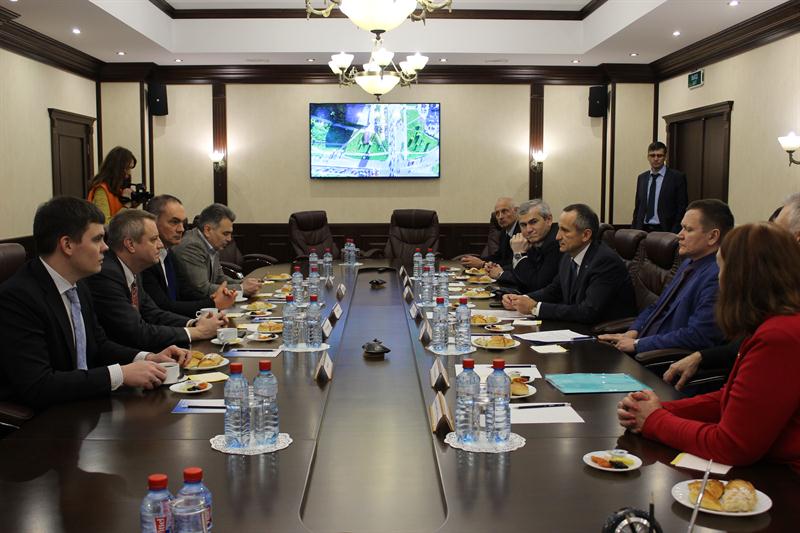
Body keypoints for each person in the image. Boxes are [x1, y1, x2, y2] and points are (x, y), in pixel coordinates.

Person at [618, 223, 800, 469]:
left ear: (740, 278)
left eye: (721, 269)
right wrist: (661, 408)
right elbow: (731, 399)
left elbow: (731, 446)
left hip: (783, 479)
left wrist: (654, 420)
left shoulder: (779, 338)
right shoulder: (774, 324)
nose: (718, 279)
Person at [0, 197, 188, 409]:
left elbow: (99, 345)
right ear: (67, 245)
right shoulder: (18, 298)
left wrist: (147, 358)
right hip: (43, 418)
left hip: (82, 402)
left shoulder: (78, 284)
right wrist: (119, 374)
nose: (106, 247)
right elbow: (38, 385)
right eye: (97, 239)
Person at [663, 192, 800, 389]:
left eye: (777, 232)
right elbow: (746, 342)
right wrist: (702, 356)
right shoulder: (783, 284)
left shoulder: (781, 326)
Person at [599, 199, 732, 354]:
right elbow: (657, 306)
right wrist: (633, 332)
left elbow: (697, 336)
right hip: (642, 344)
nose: (679, 235)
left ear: (713, 236)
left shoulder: (716, 276)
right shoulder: (688, 263)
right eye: (681, 228)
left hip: (661, 358)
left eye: (688, 229)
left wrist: (638, 344)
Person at [86, 210, 224, 353]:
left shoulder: (133, 268)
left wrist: (194, 323)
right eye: (153, 239)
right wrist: (198, 332)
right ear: (130, 244)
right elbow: (136, 332)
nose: (160, 245)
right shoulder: (106, 275)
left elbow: (153, 313)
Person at [503, 203, 636, 324]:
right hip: (575, 325)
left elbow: (588, 311)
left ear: (585, 235)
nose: (557, 237)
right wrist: (520, 299)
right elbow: (554, 290)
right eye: (559, 229)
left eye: (565, 231)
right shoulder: (568, 255)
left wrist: (535, 308)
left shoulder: (605, 261)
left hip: (602, 333)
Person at [141, 195, 236, 316]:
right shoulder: (145, 259)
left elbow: (186, 292)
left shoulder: (169, 254)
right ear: (152, 223)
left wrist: (214, 298)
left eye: (183, 222)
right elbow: (163, 307)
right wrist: (213, 304)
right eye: (174, 222)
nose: (181, 229)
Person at [172, 203, 261, 299]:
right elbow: (202, 290)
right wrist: (242, 288)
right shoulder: (192, 246)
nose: (229, 239)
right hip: (193, 305)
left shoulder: (212, 243)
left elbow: (219, 278)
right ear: (207, 230)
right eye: (225, 233)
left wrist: (244, 283)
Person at [485, 199, 561, 293]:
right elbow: (526, 272)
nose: (528, 229)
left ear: (548, 220)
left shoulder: (556, 242)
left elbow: (537, 285)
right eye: (523, 225)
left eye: (533, 222)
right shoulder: (534, 240)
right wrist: (497, 269)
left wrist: (519, 254)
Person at [631, 141, 688, 233]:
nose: (656, 159)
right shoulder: (642, 178)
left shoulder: (677, 177)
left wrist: (675, 231)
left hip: (665, 229)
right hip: (642, 229)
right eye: (652, 155)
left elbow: (682, 207)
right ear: (648, 157)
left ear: (665, 157)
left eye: (659, 155)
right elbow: (638, 206)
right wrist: (634, 229)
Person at [460, 197, 520, 270]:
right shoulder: (504, 232)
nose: (500, 217)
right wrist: (475, 260)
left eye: (504, 211)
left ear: (516, 210)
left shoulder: (523, 231)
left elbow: (514, 265)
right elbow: (498, 256)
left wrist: (483, 264)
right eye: (497, 213)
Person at [87, 146, 139, 219]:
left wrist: (133, 206)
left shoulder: (119, 189)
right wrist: (127, 205)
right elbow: (104, 223)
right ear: (116, 168)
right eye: (127, 168)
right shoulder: (101, 190)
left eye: (130, 169)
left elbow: (126, 220)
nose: (129, 173)